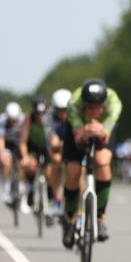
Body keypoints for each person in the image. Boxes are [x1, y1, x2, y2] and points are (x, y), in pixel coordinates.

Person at [61, 79, 122, 247]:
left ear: (104, 103)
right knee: (73, 170)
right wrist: (86, 131)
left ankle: (100, 217)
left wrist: (100, 131)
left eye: (98, 107)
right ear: (84, 104)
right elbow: (78, 137)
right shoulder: (74, 103)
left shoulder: (114, 102)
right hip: (79, 130)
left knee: (102, 162)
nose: (94, 111)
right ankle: (69, 217)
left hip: (103, 129)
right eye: (90, 107)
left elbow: (106, 134)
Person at [18, 95, 51, 212]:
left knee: (50, 172)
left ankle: (50, 199)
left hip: (48, 149)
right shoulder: (29, 119)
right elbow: (22, 142)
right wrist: (25, 156)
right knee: (28, 166)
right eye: (38, 114)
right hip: (33, 149)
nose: (41, 117)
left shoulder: (52, 119)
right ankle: (29, 190)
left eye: (43, 113)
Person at [44, 88, 72, 218]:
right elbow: (54, 143)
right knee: (57, 161)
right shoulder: (48, 117)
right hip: (57, 147)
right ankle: (56, 200)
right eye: (60, 110)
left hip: (72, 144)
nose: (63, 113)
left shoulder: (75, 114)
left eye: (65, 110)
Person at [0, 101, 24, 207]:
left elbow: (25, 138)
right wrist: (2, 153)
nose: (13, 122)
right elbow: (0, 139)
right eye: (11, 120)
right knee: (6, 161)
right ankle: (6, 190)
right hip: (7, 144)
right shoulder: (1, 120)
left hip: (19, 143)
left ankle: (21, 185)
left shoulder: (23, 119)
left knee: (22, 162)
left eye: (14, 120)